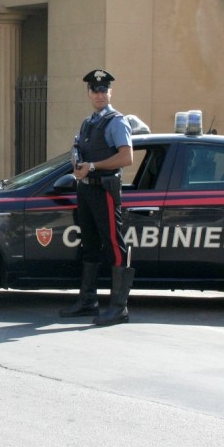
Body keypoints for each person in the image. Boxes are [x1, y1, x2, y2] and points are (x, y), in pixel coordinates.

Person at [59, 69, 136, 326]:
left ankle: (118, 308)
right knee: (89, 244)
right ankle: (87, 301)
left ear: (110, 92)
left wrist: (92, 166)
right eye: (95, 90)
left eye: (104, 90)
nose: (99, 94)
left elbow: (126, 157)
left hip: (104, 189)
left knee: (114, 244)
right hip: (87, 190)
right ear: (89, 93)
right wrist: (77, 162)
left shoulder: (116, 121)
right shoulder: (88, 122)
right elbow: (78, 149)